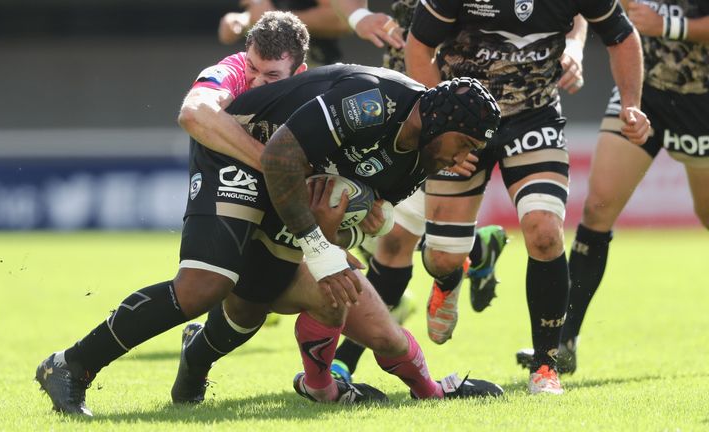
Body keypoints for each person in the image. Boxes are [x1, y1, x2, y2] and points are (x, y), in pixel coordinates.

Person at [34, 14, 503, 414]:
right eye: (465, 145)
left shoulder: (417, 163)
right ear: (442, 123)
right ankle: (71, 364)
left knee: (256, 300)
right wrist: (320, 249)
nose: (464, 160)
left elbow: (358, 210)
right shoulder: (374, 101)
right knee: (206, 284)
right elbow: (278, 158)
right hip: (239, 151)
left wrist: (338, 233)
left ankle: (200, 361)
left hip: (291, 174)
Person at [170, 67, 504, 406]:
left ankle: (430, 392)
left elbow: (342, 227)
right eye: (463, 145)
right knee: (252, 313)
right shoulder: (361, 104)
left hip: (306, 240)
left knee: (388, 337)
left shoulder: (416, 156)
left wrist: (359, 224)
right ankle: (307, 385)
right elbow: (283, 166)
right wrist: (326, 239)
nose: (461, 160)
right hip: (262, 226)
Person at [397, 0, 651, 395]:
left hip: (534, 118)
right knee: (441, 256)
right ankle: (452, 274)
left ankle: (545, 366)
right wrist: (438, 126)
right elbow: (417, 46)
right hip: (463, 120)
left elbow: (622, 36)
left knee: (545, 232)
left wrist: (631, 105)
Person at [516, 0, 709, 375]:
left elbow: (659, 22)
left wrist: (669, 25)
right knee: (598, 207)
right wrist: (573, 46)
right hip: (642, 90)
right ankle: (562, 343)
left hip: (702, 102)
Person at [325, 0, 509, 385]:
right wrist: (358, 16)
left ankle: (343, 362)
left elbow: (570, 12)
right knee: (391, 240)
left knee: (398, 243)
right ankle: (476, 248)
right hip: (396, 106)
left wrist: (443, 128)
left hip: (461, 113)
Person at [218, 0, 351, 66]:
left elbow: (342, 21)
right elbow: (260, 13)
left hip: (313, 72)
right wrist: (240, 20)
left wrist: (275, 16)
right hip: (266, 73)